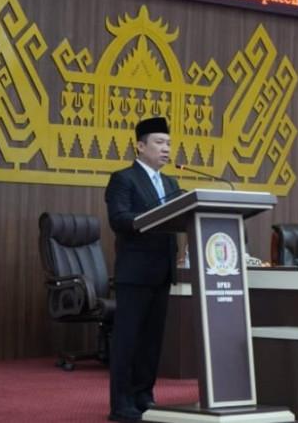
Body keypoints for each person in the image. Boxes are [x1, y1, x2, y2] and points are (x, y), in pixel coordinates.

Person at [105, 117, 181, 422]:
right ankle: (121, 403)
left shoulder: (172, 184)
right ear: (140, 146)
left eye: (169, 143)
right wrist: (153, 217)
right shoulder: (123, 179)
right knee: (128, 341)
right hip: (135, 273)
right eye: (159, 143)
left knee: (151, 341)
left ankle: (144, 396)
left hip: (162, 272)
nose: (166, 149)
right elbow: (119, 218)